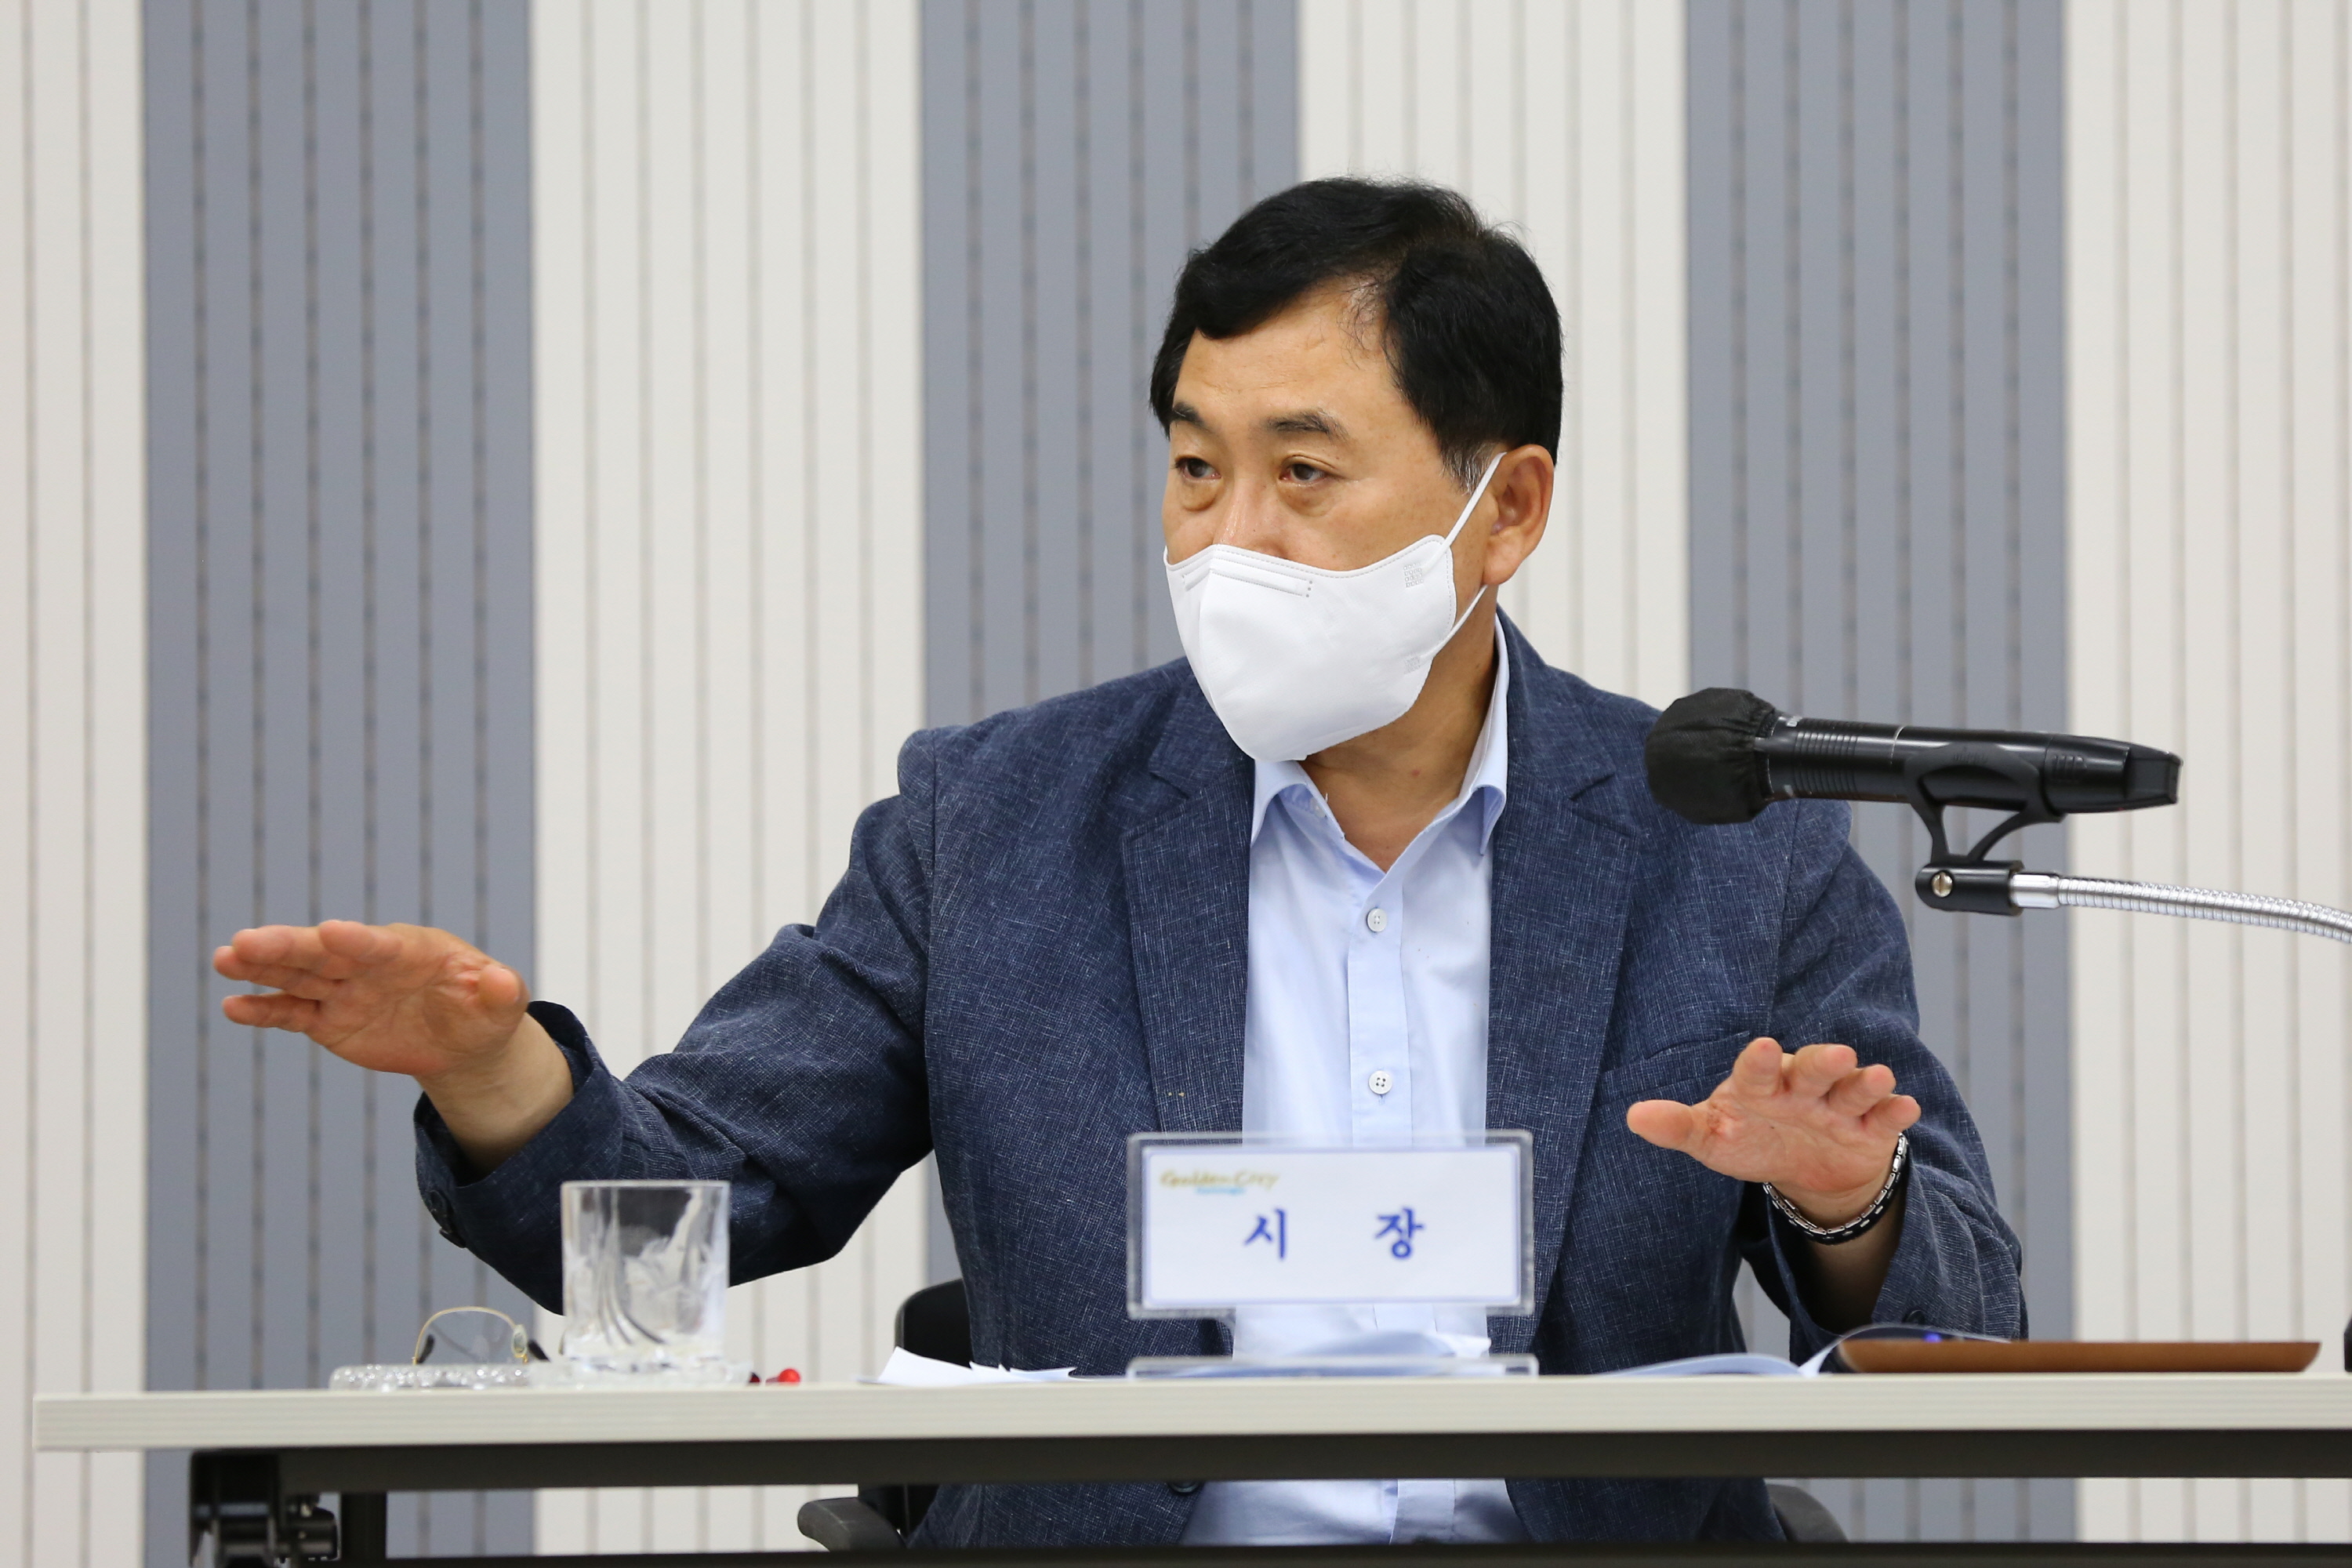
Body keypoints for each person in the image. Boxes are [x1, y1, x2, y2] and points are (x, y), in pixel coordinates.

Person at [214, 178, 2022, 1548]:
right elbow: (704, 1192)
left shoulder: (1730, 838)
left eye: (1304, 474)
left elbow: (1967, 1323)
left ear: (1509, 510)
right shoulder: (997, 819)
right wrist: (496, 1072)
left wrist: (1841, 1203)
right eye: (1195, 469)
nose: (1229, 541)